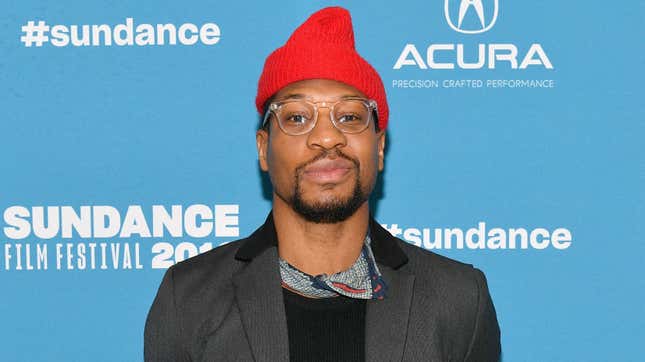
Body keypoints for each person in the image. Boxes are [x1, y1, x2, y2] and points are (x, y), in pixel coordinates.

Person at [144, 6, 500, 362]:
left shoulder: (458, 298)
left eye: (349, 116)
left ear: (379, 148)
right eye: (297, 117)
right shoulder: (189, 297)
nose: (327, 138)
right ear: (264, 149)